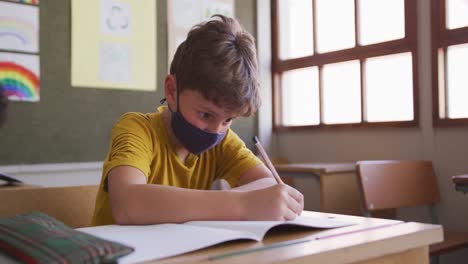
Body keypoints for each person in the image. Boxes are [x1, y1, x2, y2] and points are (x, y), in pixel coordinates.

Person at [91, 15, 304, 226]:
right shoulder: (137, 129)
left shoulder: (224, 142)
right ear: (172, 91)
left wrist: (267, 199)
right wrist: (242, 204)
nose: (215, 130)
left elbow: (266, 185)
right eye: (205, 115)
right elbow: (128, 204)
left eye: (228, 119)